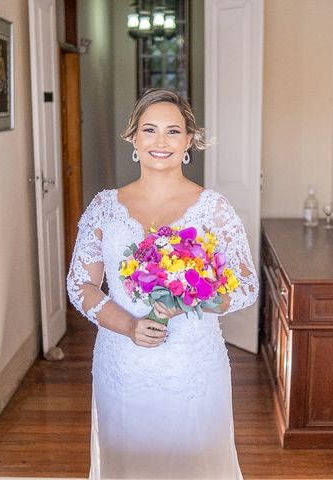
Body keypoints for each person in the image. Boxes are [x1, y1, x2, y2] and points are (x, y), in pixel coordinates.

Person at [67, 89, 258, 479]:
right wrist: (130, 326)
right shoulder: (105, 207)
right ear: (133, 137)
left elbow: (245, 286)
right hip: (123, 364)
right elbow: (80, 285)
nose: (160, 141)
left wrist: (194, 299)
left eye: (173, 132)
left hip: (193, 365)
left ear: (189, 141)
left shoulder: (214, 209)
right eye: (150, 130)